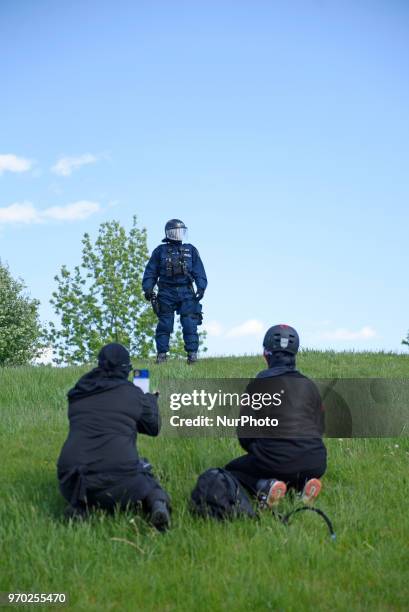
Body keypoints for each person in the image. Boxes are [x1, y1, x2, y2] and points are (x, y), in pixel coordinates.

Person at [57, 343, 171, 531]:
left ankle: (80, 507)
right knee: (147, 477)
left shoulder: (79, 392)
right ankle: (157, 506)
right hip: (120, 480)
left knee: (90, 479)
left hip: (71, 479)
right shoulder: (133, 394)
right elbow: (153, 428)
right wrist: (150, 400)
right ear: (125, 369)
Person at [225, 324, 327, 508]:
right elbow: (320, 428)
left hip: (275, 461)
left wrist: (262, 451)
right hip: (316, 462)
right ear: (295, 354)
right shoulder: (310, 386)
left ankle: (266, 485)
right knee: (292, 466)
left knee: (231, 471)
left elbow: (245, 435)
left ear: (266, 354)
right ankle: (302, 485)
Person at [142, 219, 207, 364]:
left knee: (190, 323)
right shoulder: (159, 251)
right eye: (174, 232)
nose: (178, 235)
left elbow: (199, 271)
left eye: (180, 231)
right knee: (165, 324)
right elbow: (150, 272)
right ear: (168, 233)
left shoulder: (191, 250)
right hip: (166, 292)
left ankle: (192, 355)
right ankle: (162, 355)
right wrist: (148, 289)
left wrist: (201, 287)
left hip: (187, 292)